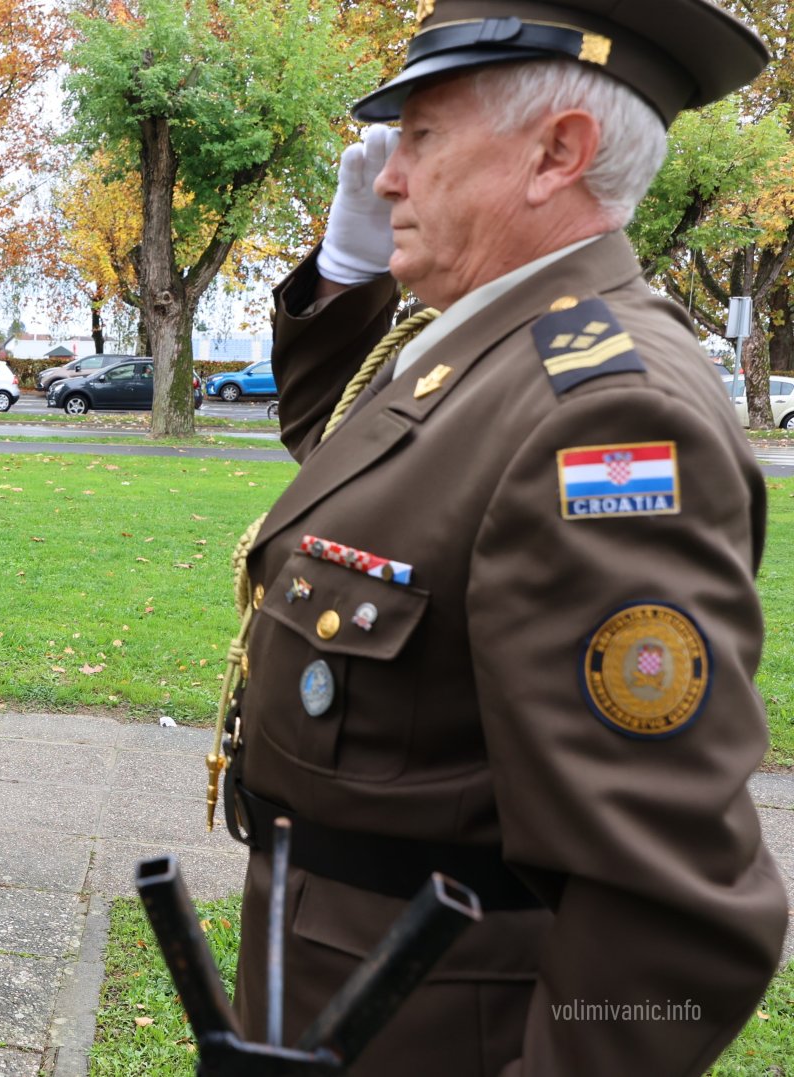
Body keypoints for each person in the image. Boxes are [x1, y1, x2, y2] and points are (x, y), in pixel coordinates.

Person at [213, 4, 786, 1074]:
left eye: (422, 137)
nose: (388, 177)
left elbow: (667, 905)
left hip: (432, 1024)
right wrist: (345, 267)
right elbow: (341, 448)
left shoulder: (606, 420)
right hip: (340, 982)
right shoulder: (490, 339)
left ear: (556, 154)